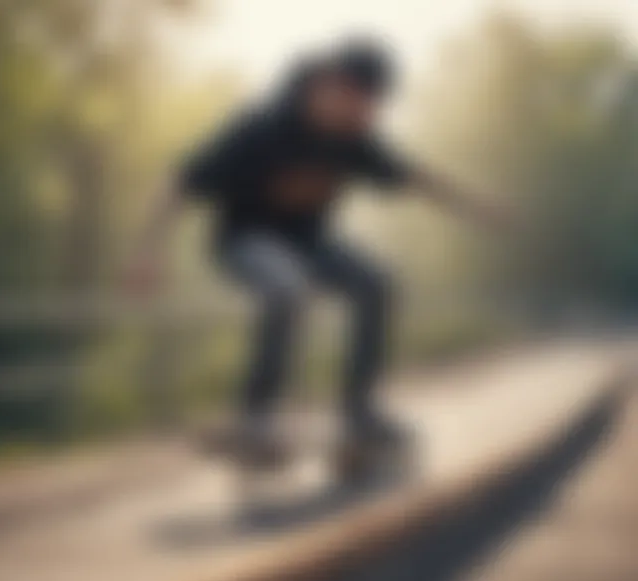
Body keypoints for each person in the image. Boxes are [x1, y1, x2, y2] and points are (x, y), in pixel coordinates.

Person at [133, 39, 511, 465]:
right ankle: (256, 416)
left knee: (378, 284)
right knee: (286, 287)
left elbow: (417, 178)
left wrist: (478, 207)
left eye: (372, 109)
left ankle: (359, 414)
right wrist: (147, 251)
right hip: (244, 241)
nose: (364, 118)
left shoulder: (354, 140)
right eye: (360, 105)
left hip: (310, 245)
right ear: (330, 86)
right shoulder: (261, 128)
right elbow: (179, 181)